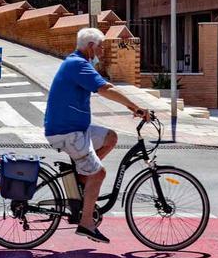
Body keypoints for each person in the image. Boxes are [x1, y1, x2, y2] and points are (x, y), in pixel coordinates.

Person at [45, 27, 150, 244]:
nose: (102, 51)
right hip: (67, 132)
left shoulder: (78, 63)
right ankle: (86, 223)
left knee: (111, 137)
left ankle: (83, 177)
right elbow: (105, 89)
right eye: (101, 46)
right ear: (91, 46)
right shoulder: (78, 64)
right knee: (99, 174)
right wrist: (135, 107)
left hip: (76, 129)